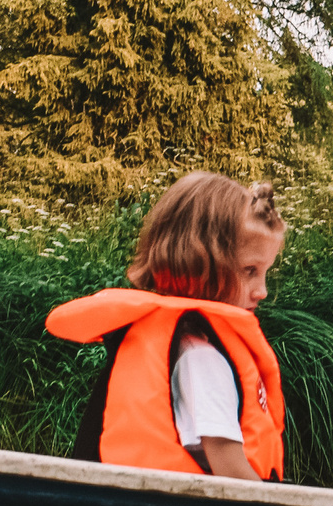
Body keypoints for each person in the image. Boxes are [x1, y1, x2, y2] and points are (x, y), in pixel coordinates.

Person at [47, 173, 288, 482]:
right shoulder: (202, 358)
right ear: (198, 264)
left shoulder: (182, 344)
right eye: (250, 271)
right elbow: (232, 472)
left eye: (265, 272)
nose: (262, 290)